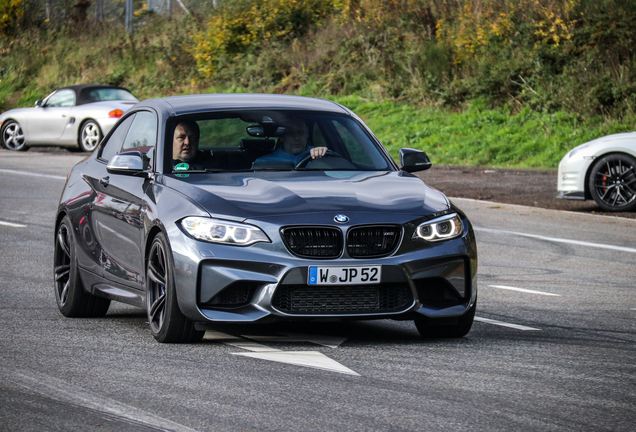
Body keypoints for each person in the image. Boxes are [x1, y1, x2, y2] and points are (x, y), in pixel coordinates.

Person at [255, 118, 328, 165]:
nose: (296, 138)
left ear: (307, 133)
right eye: (290, 133)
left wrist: (324, 153)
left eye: (300, 132)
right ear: (281, 137)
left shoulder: (322, 156)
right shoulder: (263, 163)